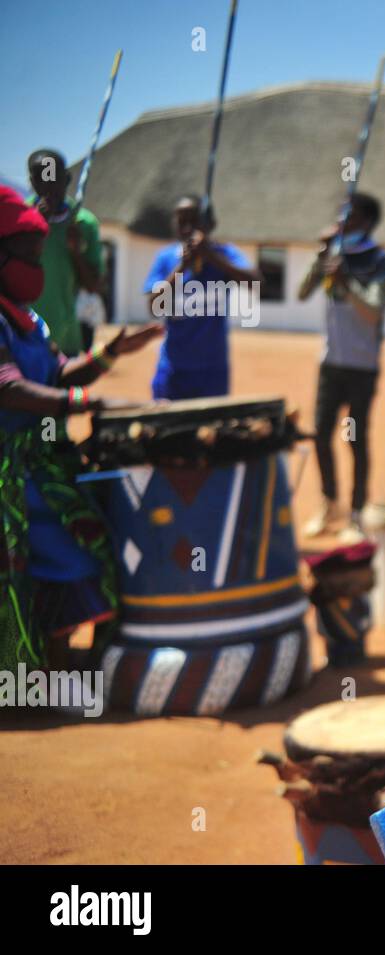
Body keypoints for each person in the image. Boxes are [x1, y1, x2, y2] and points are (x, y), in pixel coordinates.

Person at [0, 185, 161, 673]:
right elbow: (9, 389)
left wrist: (111, 353)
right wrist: (88, 403)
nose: (38, 266)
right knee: (34, 569)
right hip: (9, 474)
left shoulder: (29, 319)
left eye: (39, 254)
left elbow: (58, 374)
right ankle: (26, 677)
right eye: (27, 254)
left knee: (81, 557)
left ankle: (48, 672)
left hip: (41, 465)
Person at [298, 193, 385, 544]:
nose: (342, 222)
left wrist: (347, 282)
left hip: (361, 366)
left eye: (349, 217)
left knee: (354, 439)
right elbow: (302, 292)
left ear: (366, 222)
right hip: (330, 364)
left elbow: (375, 309)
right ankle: (329, 504)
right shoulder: (333, 255)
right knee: (320, 435)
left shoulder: (378, 259)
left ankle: (356, 513)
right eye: (340, 216)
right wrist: (320, 257)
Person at [142, 195, 260, 400]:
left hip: (212, 371)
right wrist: (182, 267)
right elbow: (154, 306)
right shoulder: (166, 258)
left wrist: (211, 257)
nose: (187, 229)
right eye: (181, 222)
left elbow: (255, 282)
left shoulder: (225, 254)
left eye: (194, 221)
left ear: (210, 224)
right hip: (173, 370)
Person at [26, 149, 106, 356]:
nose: (48, 186)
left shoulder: (83, 224)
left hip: (65, 339)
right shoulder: (17, 219)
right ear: (32, 182)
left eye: (53, 178)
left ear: (67, 178)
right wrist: (35, 227)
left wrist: (76, 252)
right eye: (42, 179)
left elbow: (94, 287)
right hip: (21, 337)